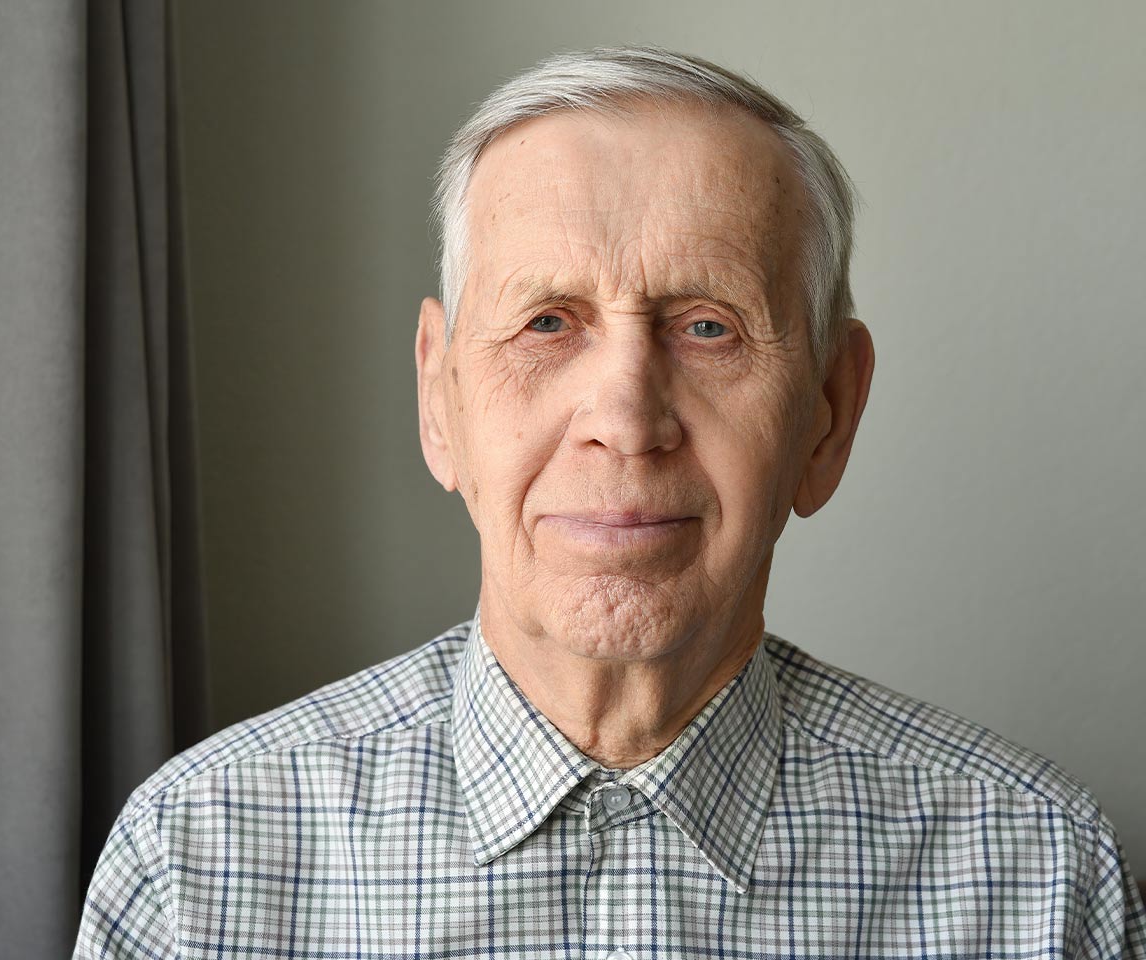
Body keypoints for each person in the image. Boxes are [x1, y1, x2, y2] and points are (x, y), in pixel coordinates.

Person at [75, 46, 1145, 959]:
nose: (627, 420)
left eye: (709, 327)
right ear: (440, 400)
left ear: (828, 414)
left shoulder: (1037, 879)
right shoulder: (198, 862)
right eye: (547, 323)